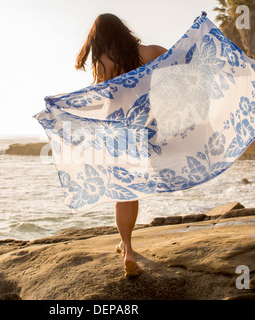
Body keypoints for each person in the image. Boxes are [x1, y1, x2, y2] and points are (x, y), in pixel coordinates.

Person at [75, 13, 167, 277]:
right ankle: (126, 246)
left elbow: (100, 95)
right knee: (133, 189)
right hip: (143, 125)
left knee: (123, 190)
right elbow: (179, 58)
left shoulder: (102, 63)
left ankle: (127, 248)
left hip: (116, 128)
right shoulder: (146, 53)